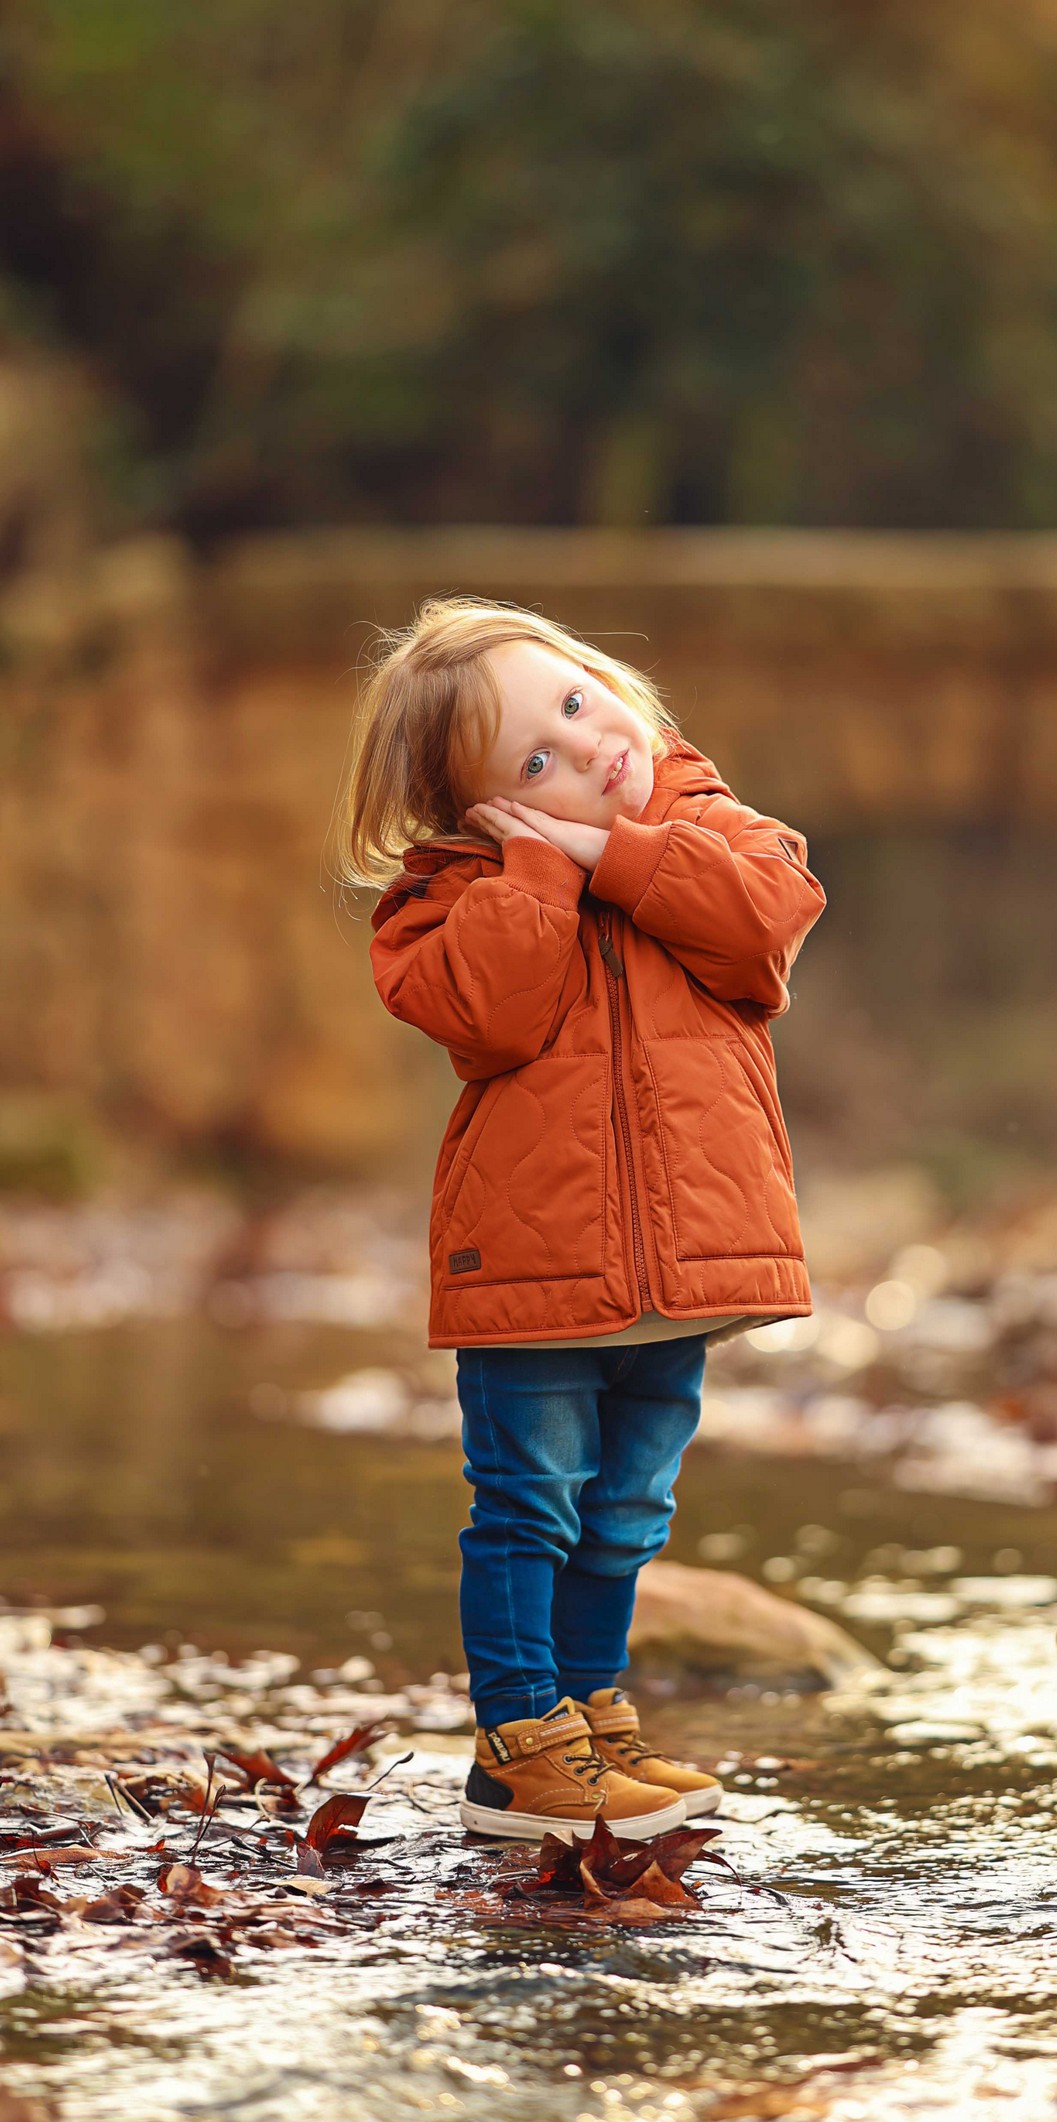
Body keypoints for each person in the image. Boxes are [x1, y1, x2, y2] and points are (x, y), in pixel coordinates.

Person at [335, 596, 826, 1843]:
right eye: (533, 764)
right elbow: (489, 1014)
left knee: (626, 1509)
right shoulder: (449, 900)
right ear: (483, 812)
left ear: (608, 676)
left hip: (680, 1266)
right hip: (536, 1271)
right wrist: (541, 866)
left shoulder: (711, 827)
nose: (583, 743)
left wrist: (620, 855)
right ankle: (517, 1745)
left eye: (573, 700)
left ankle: (594, 1717)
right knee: (530, 1502)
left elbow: (764, 930)